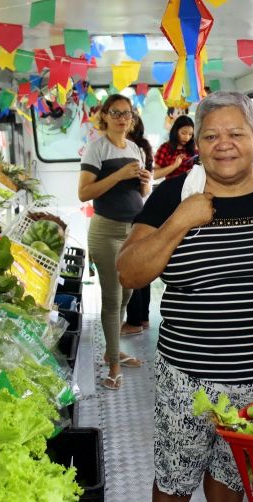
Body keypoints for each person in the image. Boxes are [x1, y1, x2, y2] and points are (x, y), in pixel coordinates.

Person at [117, 91, 253, 502]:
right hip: (185, 376)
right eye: (210, 136)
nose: (223, 144)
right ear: (198, 144)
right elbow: (129, 270)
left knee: (232, 480)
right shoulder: (172, 196)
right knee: (174, 483)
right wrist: (180, 220)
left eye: (235, 133)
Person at [78, 94, 151, 390]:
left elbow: (141, 194)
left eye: (127, 113)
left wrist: (145, 182)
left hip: (133, 231)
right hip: (106, 231)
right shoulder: (96, 149)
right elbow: (85, 193)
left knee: (127, 295)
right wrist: (120, 174)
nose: (123, 118)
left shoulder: (135, 148)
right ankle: (114, 366)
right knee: (111, 299)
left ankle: (112, 349)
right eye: (116, 113)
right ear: (105, 116)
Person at [123, 113, 154, 335]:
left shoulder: (130, 149)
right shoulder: (144, 148)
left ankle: (134, 320)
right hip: (143, 207)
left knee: (131, 266)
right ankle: (143, 318)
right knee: (144, 265)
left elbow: (142, 183)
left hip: (130, 211)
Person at [154, 115, 197, 180]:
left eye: (190, 134)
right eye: (183, 133)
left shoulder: (194, 149)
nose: (187, 137)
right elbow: (155, 175)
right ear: (175, 131)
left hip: (192, 187)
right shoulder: (165, 148)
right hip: (172, 187)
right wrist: (174, 165)